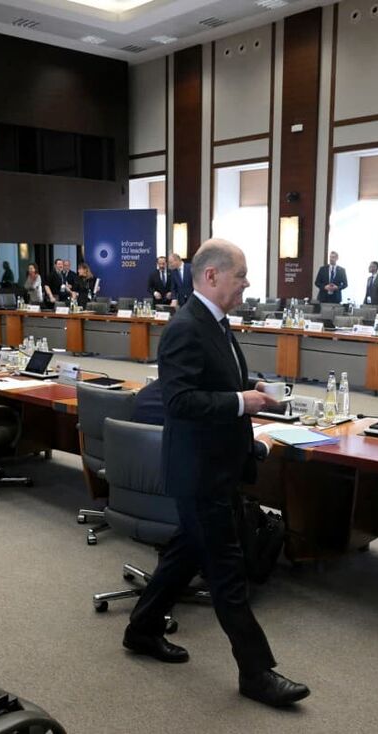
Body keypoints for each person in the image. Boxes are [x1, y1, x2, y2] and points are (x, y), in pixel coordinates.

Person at [124, 238, 310, 709]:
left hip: (219, 466)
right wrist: (240, 402)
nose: (247, 284)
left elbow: (214, 379)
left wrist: (252, 386)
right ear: (211, 276)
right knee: (227, 573)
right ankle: (256, 672)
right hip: (199, 471)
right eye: (241, 275)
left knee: (186, 553)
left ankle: (142, 629)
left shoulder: (216, 323)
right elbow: (180, 401)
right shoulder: (184, 327)